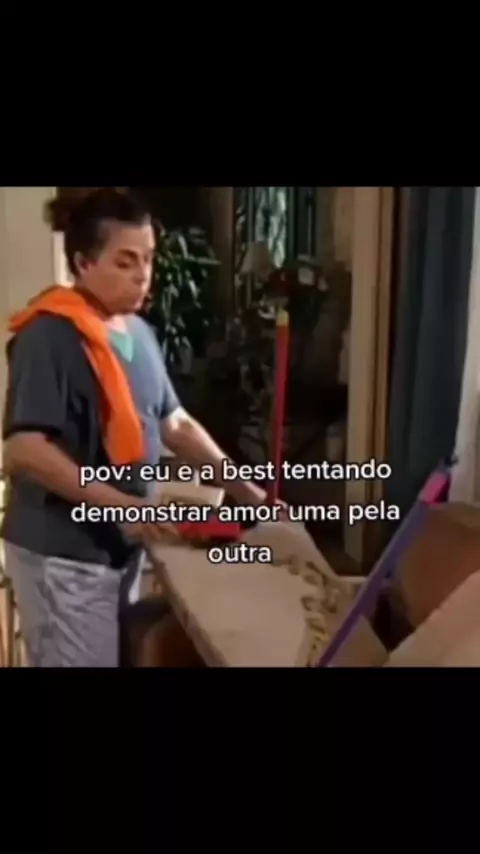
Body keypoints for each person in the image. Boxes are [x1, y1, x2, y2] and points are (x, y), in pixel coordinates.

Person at [1, 188, 269, 668]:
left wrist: (243, 488)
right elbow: (25, 449)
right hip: (64, 554)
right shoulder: (48, 336)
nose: (143, 274)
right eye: (125, 262)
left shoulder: (139, 333)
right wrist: (122, 503)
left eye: (147, 259)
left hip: (122, 546)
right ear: (83, 263)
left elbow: (174, 421)